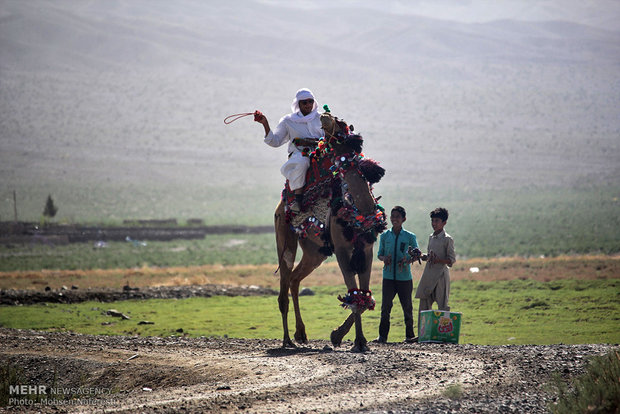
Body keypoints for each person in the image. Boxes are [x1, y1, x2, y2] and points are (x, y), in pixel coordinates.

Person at [254, 88, 323, 212]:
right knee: (303, 162)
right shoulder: (288, 121)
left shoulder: (322, 118)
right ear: (298, 104)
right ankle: (298, 198)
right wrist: (265, 123)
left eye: (310, 101)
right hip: (300, 153)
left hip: (322, 151)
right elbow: (275, 141)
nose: (308, 105)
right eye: (304, 102)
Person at [375, 206, 420, 343]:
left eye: (398, 217)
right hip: (388, 277)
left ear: (403, 219)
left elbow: (416, 254)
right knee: (385, 308)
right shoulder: (384, 236)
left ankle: (409, 336)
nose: (394, 219)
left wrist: (408, 259)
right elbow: (379, 254)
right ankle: (382, 337)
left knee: (407, 307)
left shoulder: (410, 236)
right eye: (392, 216)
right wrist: (385, 259)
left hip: (404, 278)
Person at [415, 207, 456, 329]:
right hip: (428, 274)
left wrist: (438, 260)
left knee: (442, 305)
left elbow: (451, 260)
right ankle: (423, 333)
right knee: (424, 303)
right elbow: (429, 256)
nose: (434, 224)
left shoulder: (447, 239)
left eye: (437, 221)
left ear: (444, 223)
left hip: (441, 275)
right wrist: (421, 256)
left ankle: (444, 332)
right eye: (432, 220)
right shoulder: (431, 237)